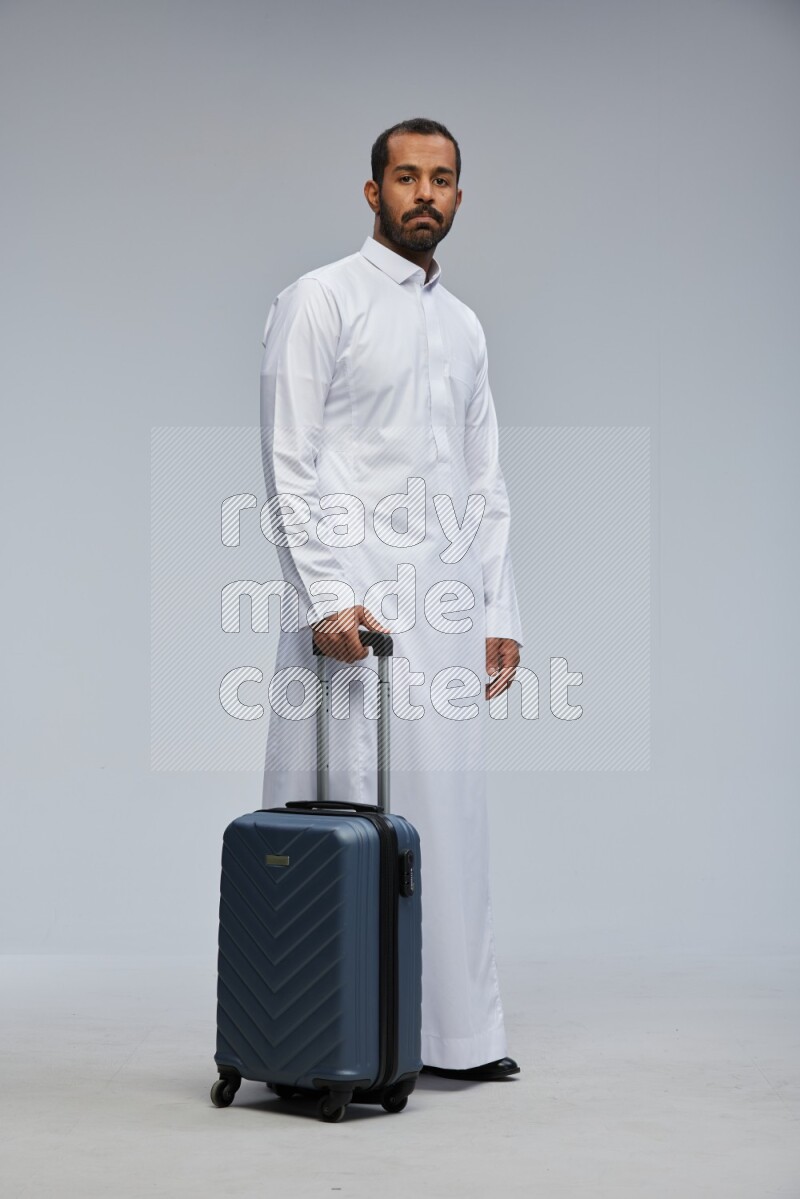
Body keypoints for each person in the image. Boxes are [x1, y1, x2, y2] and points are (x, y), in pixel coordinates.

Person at [259, 117, 523, 1080]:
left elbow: (485, 481)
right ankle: (336, 1035)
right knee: (350, 806)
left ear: (459, 196)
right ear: (372, 192)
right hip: (355, 609)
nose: (425, 193)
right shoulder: (319, 300)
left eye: (443, 179)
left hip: (447, 613)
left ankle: (456, 1038)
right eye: (406, 177)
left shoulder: (464, 326)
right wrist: (324, 595)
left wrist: (500, 611)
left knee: (447, 817)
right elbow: (288, 460)